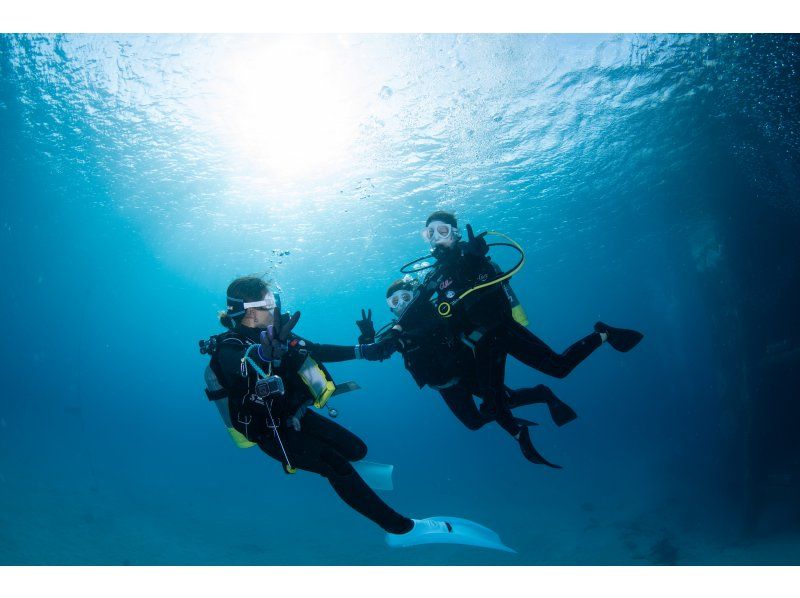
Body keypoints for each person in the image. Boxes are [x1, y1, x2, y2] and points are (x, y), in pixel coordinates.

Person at [200, 275, 513, 551]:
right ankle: (401, 529)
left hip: (294, 414)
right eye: (269, 303)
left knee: (357, 449)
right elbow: (240, 372)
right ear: (250, 311)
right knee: (336, 465)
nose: (275, 308)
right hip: (268, 430)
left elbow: (317, 350)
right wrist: (264, 355)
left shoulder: (278, 332)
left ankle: (353, 485)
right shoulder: (230, 348)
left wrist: (363, 351)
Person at [389, 211, 643, 467]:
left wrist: (476, 259)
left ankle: (605, 333)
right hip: (481, 345)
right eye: (429, 233)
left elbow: (494, 294)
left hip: (503, 331)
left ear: (455, 233)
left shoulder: (474, 256)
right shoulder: (435, 276)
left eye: (441, 231)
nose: (435, 238)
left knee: (559, 368)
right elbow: (418, 305)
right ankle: (522, 436)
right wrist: (396, 331)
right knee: (491, 407)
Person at [357, 279, 577, 469]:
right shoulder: (394, 332)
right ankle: (510, 419)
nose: (402, 304)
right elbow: (377, 353)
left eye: (405, 297)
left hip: (467, 372)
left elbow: (429, 330)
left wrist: (400, 336)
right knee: (474, 423)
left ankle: (540, 394)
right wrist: (367, 339)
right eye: (395, 302)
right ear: (391, 309)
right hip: (444, 387)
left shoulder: (438, 313)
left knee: (505, 401)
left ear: (416, 296)